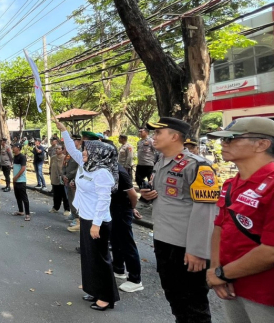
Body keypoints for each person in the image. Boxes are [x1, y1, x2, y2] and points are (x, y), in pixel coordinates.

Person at [140, 117, 220, 323]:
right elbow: (166, 196)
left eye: (158, 133)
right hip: (164, 240)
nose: (153, 137)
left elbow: (206, 211)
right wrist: (147, 196)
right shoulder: (161, 161)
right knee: (175, 298)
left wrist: (198, 250)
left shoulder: (198, 166)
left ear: (175, 136)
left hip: (187, 247)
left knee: (194, 304)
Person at [205, 117, 274, 322]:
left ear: (262, 144)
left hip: (265, 293)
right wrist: (216, 271)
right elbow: (220, 227)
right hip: (230, 285)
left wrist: (222, 273)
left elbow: (270, 251)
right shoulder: (230, 183)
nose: (223, 144)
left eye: (231, 138)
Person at [54, 117, 120, 311]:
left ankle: (107, 297)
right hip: (87, 218)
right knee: (89, 258)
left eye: (86, 150)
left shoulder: (102, 173)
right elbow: (73, 150)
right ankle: (94, 289)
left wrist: (96, 224)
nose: (82, 152)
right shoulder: (86, 166)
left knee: (100, 259)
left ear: (96, 154)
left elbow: (103, 201)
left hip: (97, 221)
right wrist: (64, 130)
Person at [110, 163, 144, 293]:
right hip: (113, 208)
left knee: (126, 242)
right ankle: (118, 268)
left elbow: (133, 195)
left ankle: (135, 279)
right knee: (115, 240)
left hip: (122, 210)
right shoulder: (106, 168)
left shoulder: (119, 171)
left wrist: (131, 208)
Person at [65, 134, 82, 232]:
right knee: (71, 198)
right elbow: (65, 164)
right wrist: (64, 174)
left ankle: (77, 219)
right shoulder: (70, 153)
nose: (73, 142)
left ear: (79, 141)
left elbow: (77, 169)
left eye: (74, 141)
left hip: (74, 179)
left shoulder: (80, 153)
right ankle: (74, 215)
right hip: (68, 178)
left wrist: (69, 177)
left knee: (76, 199)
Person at [49, 144, 70, 216]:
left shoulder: (65, 158)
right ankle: (55, 207)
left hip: (63, 179)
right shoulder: (53, 158)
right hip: (54, 178)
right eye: (56, 149)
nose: (57, 150)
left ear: (62, 150)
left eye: (59, 149)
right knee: (56, 194)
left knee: (65, 195)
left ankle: (67, 209)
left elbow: (67, 169)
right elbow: (51, 167)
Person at [11, 143, 30, 221]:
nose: (13, 148)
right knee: (17, 196)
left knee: (24, 197)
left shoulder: (22, 157)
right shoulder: (15, 157)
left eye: (14, 147)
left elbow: (23, 168)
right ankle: (21, 211)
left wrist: (16, 177)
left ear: (18, 148)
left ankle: (27, 214)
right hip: (15, 180)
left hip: (21, 180)